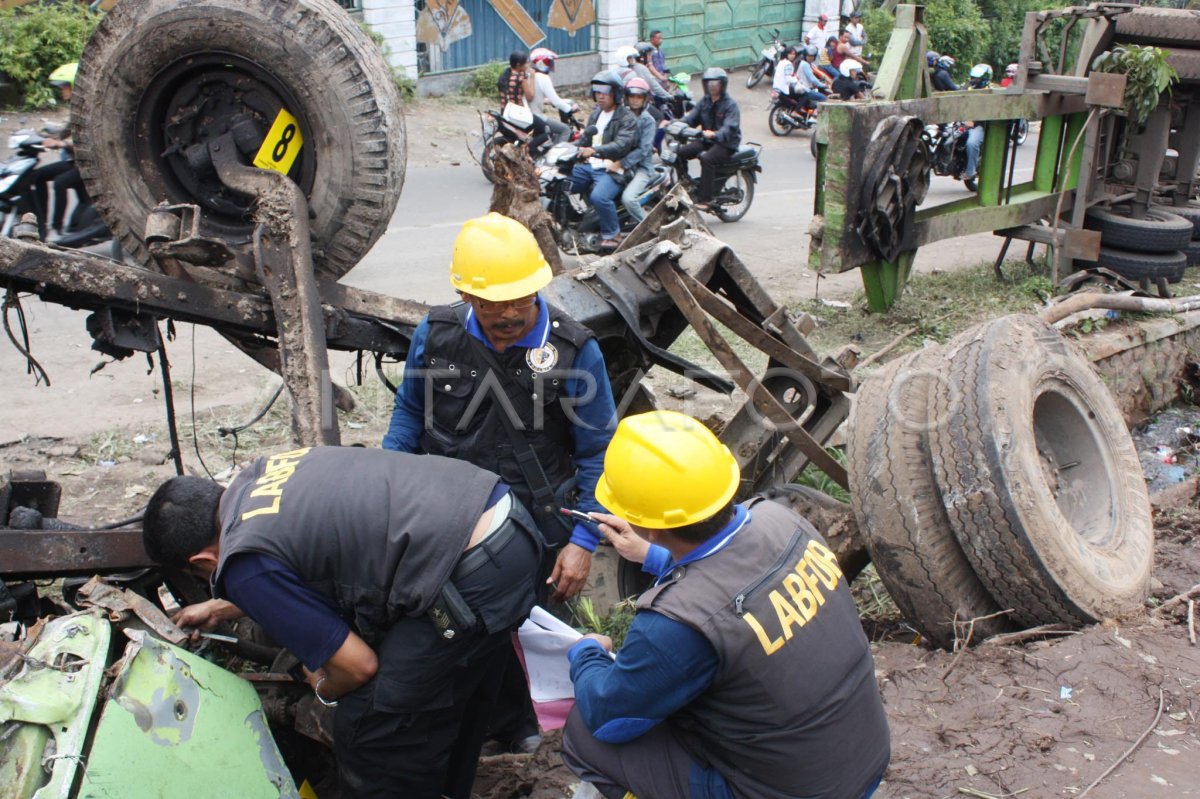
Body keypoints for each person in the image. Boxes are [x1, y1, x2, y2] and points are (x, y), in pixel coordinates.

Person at [144, 446, 544, 798]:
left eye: (205, 578)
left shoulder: (243, 565)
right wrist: (225, 606)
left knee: (370, 732)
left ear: (200, 562)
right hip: (501, 516)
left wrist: (319, 682)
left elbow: (357, 666)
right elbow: (313, 555)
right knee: (447, 680)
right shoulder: (263, 473)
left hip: (476, 569)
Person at [560, 410, 892, 799]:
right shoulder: (782, 519)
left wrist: (586, 654)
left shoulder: (675, 623)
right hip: (861, 762)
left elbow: (608, 717)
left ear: (644, 523)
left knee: (586, 733)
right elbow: (737, 569)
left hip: (789, 791)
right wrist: (653, 555)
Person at [382, 212, 618, 751]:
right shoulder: (437, 336)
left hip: (537, 527)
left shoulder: (575, 351)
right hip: (447, 518)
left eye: (521, 299)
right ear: (466, 294)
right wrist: (389, 492)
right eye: (492, 303)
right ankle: (473, 729)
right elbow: (407, 419)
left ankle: (535, 736)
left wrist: (583, 543)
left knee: (533, 637)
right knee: (452, 631)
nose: (509, 314)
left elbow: (598, 452)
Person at [569, 72, 639, 250]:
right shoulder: (595, 115)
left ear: (616, 93)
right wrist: (567, 147)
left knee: (599, 197)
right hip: (590, 166)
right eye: (596, 90)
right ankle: (570, 221)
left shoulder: (626, 118)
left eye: (605, 91)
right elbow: (585, 139)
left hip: (613, 168)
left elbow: (621, 145)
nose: (600, 95)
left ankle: (612, 235)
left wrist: (594, 151)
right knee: (562, 181)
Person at [28, 63, 89, 240]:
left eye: (64, 87)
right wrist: (37, 136)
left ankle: (57, 228)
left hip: (88, 164)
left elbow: (83, 142)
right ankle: (42, 223)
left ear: (73, 85)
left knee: (59, 183)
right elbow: (63, 131)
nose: (62, 91)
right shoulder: (75, 107)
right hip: (74, 161)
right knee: (38, 175)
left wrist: (61, 145)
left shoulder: (86, 110)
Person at [671, 67, 741, 213]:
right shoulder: (705, 101)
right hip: (707, 140)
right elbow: (691, 118)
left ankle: (705, 198)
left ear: (722, 85)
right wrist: (675, 124)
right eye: (709, 83)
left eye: (715, 83)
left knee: (706, 158)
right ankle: (686, 183)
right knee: (679, 152)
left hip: (726, 143)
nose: (712, 86)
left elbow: (729, 127)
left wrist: (716, 134)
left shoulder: (730, 105)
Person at [618, 78, 658, 225]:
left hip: (642, 168)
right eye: (632, 96)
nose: (635, 100)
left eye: (639, 97)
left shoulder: (648, 121)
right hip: (622, 166)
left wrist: (622, 163)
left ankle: (650, 227)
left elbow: (644, 149)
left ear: (645, 99)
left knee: (628, 199)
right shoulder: (621, 116)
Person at [498, 50, 549, 153]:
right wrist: (532, 77)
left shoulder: (504, 76)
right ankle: (531, 149)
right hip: (518, 115)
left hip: (504, 113)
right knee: (545, 130)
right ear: (518, 64)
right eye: (526, 63)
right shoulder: (521, 78)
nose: (528, 65)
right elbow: (530, 96)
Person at [530, 48, 577, 144]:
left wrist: (546, 101)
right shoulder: (543, 78)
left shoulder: (529, 75)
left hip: (527, 114)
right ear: (541, 63)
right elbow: (556, 101)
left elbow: (536, 95)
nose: (552, 66)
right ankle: (555, 157)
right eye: (550, 63)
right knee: (565, 130)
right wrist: (570, 109)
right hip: (536, 116)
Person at [772, 46, 823, 119]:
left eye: (794, 54)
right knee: (806, 94)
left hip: (777, 87)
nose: (792, 56)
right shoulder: (788, 64)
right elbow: (788, 79)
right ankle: (796, 111)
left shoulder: (781, 62)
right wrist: (796, 79)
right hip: (784, 88)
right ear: (786, 54)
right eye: (790, 54)